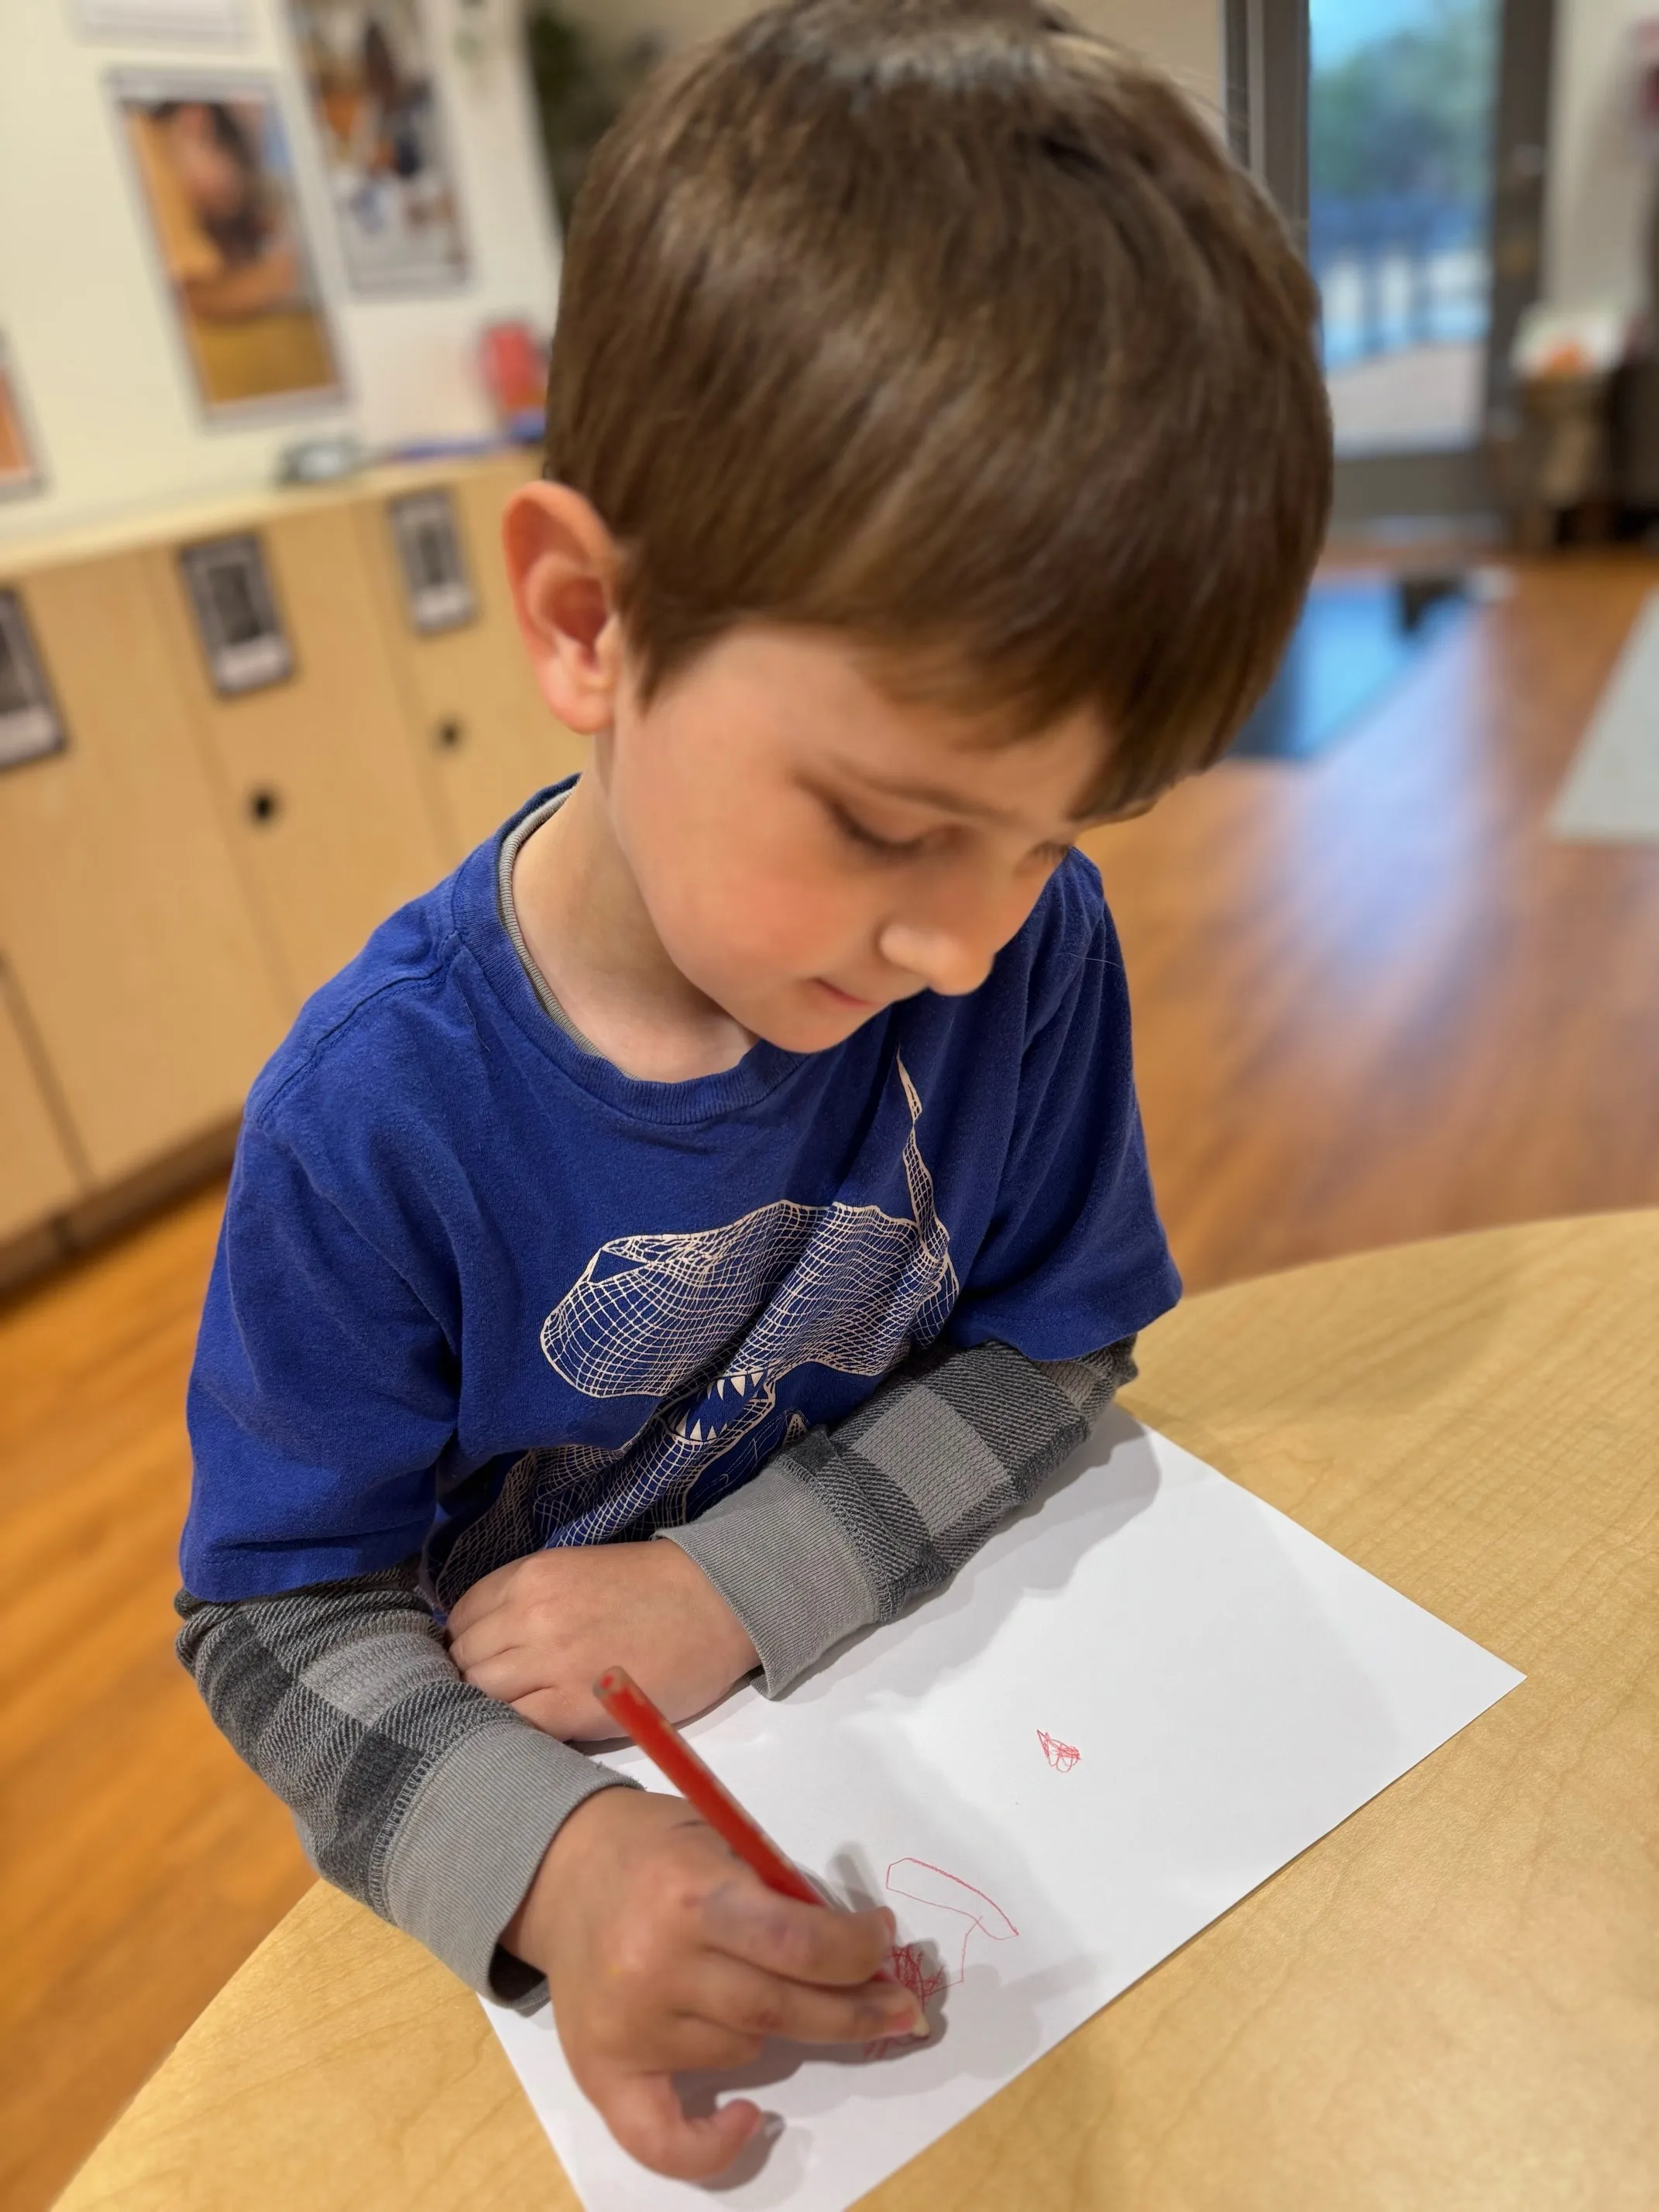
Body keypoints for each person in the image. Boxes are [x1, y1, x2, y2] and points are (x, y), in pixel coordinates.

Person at [177, 0, 1330, 2182]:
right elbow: (270, 1617)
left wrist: (737, 1586)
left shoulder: (1018, 947)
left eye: (1051, 832)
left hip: (910, 1731)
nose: (974, 943)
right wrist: (561, 1871)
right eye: (888, 826)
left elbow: (1059, 1338)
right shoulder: (378, 1113)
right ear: (587, 621)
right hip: (525, 1877)